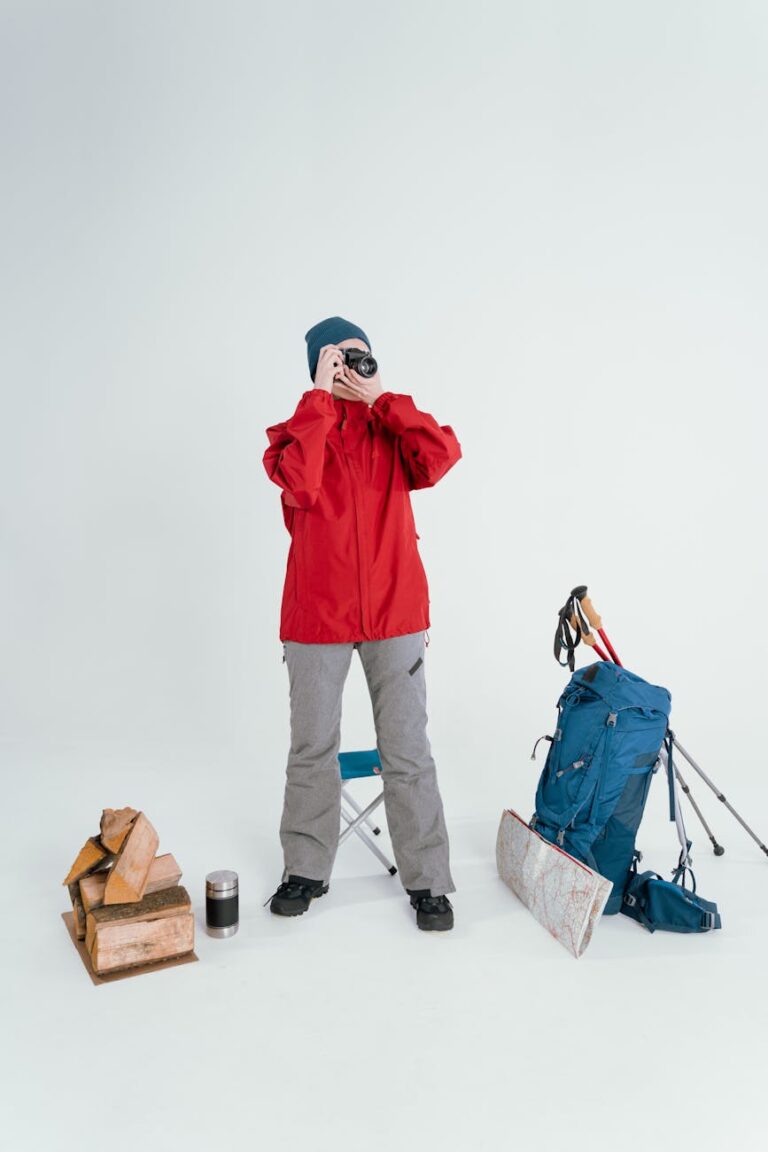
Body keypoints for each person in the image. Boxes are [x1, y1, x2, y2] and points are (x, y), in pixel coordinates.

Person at [262, 315, 462, 931]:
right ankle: (306, 869)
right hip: (316, 616)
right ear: (316, 370)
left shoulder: (392, 426)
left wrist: (383, 400)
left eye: (362, 357)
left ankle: (428, 882)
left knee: (407, 750)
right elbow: (299, 485)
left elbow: (442, 457)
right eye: (337, 359)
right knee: (312, 747)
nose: (352, 367)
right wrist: (319, 401)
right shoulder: (295, 435)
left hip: (396, 612)